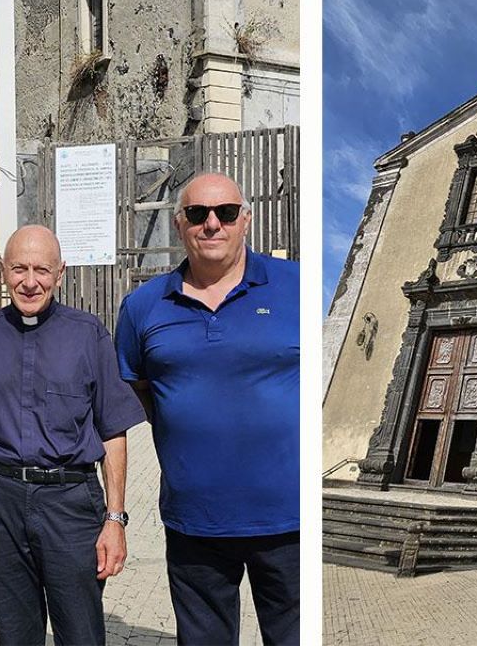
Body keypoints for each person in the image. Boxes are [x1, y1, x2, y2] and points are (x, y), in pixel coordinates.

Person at [115, 173, 299, 645]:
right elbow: (139, 388)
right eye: (197, 214)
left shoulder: (294, 286)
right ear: (180, 225)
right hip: (195, 519)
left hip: (289, 521)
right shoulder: (143, 305)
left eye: (226, 213)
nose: (212, 224)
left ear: (246, 220)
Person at [0, 225, 145, 645]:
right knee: (15, 635)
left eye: (41, 270)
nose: (30, 282)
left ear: (60, 272)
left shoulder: (88, 335)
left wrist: (115, 520)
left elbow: (113, 433)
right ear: (2, 271)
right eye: (18, 269)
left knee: (81, 633)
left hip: (70, 504)